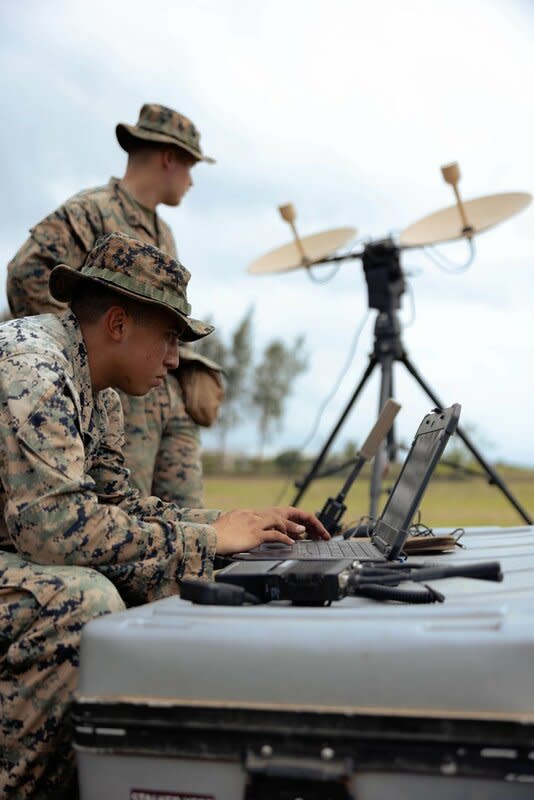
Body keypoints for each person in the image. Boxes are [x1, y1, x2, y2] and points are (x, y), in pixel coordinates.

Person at [0, 232, 329, 799]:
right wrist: (205, 542)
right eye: (171, 337)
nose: (177, 360)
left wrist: (233, 526)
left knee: (161, 569)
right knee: (82, 599)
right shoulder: (34, 369)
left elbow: (117, 508)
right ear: (119, 325)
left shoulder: (98, 391)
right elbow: (56, 531)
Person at [6, 102, 223, 509]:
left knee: (185, 525)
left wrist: (190, 364)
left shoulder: (164, 232)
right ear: (169, 158)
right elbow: (26, 273)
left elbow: (164, 314)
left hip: (165, 401)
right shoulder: (92, 210)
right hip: (119, 404)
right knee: (120, 523)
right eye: (191, 167)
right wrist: (82, 357)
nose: (192, 181)